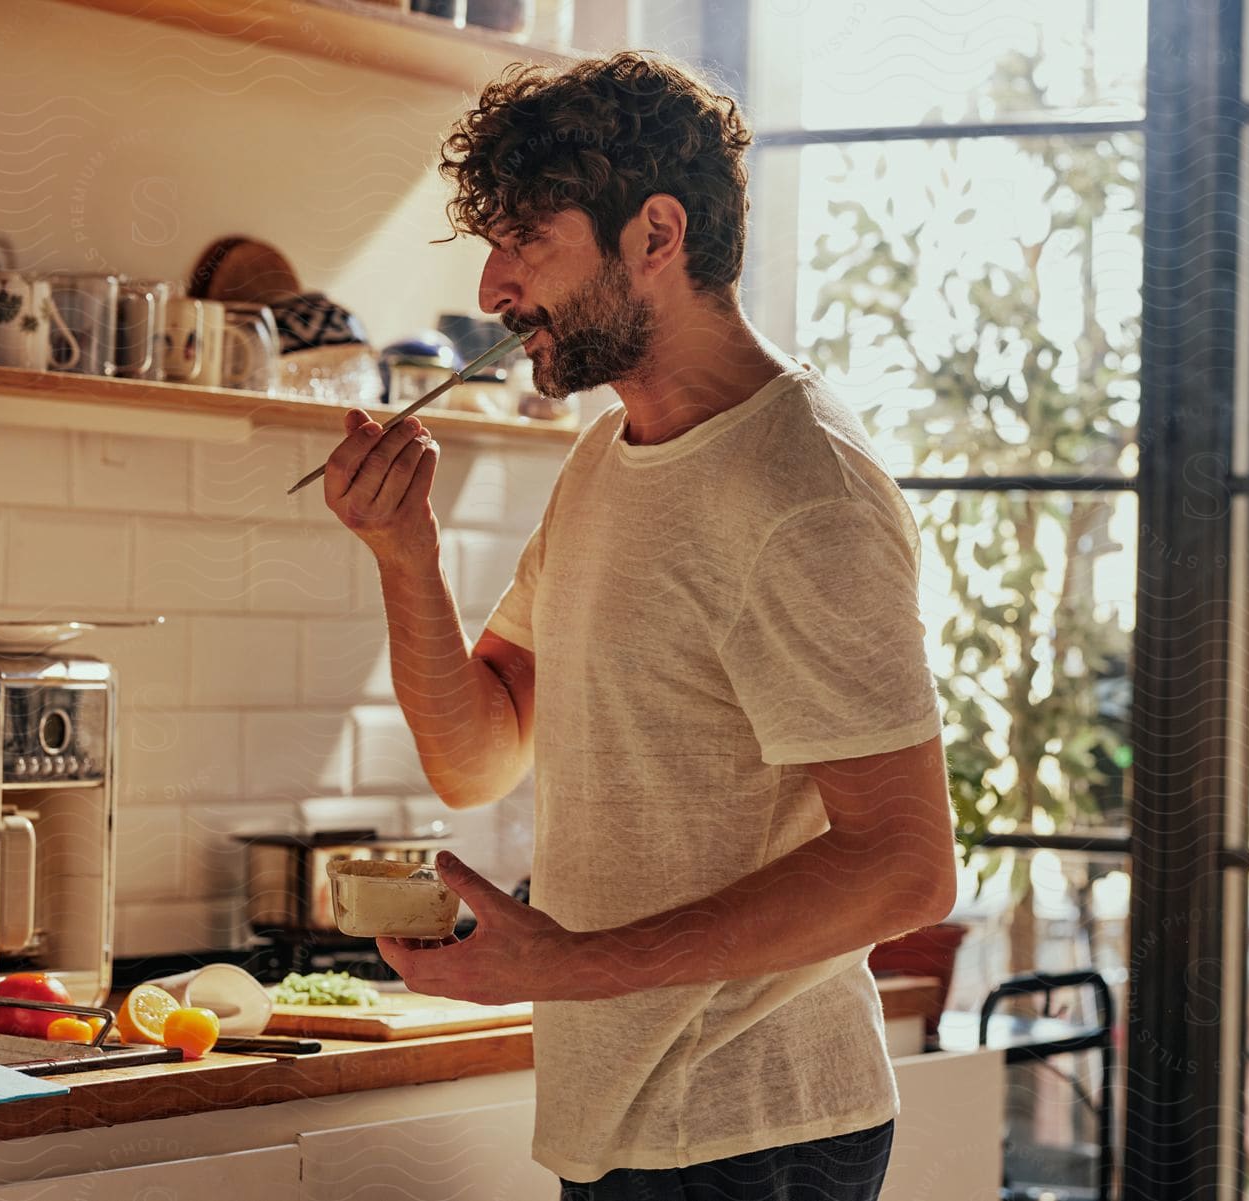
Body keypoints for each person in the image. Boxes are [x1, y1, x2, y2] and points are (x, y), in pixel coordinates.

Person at [321, 49, 957, 1201]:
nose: (493, 290)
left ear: (654, 236)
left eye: (527, 241)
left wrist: (571, 964)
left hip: (754, 1134)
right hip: (627, 1123)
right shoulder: (608, 460)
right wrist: (404, 553)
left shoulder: (802, 491)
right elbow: (479, 755)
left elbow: (909, 868)